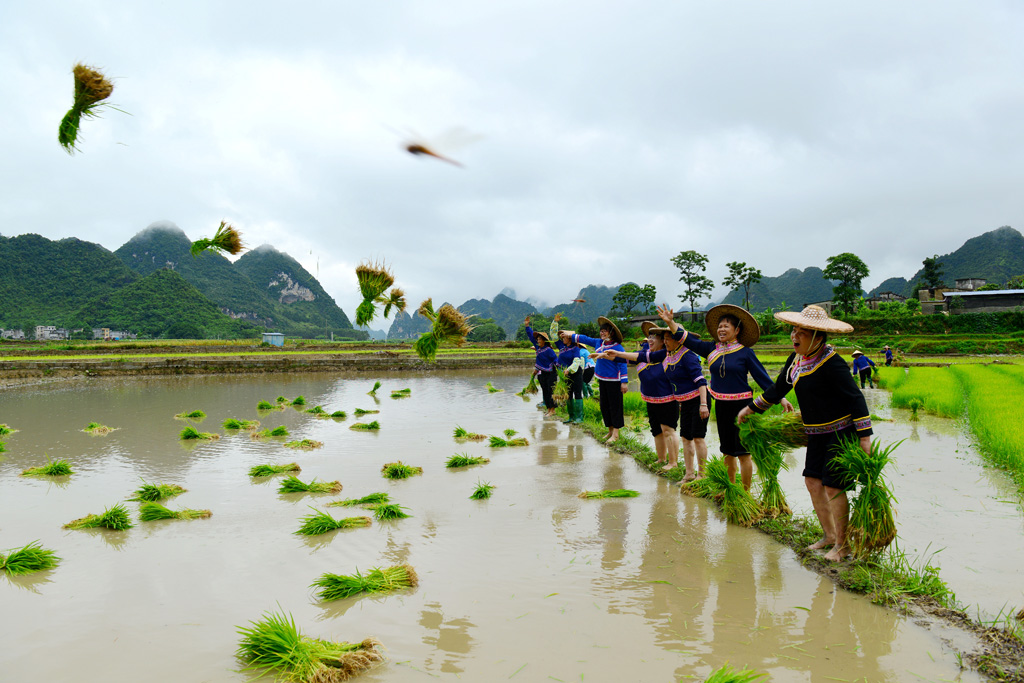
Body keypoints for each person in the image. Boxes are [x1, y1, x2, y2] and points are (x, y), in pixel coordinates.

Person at [736, 304, 872, 563]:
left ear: (818, 337)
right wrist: (751, 409)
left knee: (833, 486)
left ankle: (843, 546)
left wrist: (864, 438)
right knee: (812, 482)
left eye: (801, 332)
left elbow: (856, 399)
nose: (794, 336)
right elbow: (778, 390)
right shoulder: (796, 360)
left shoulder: (833, 363)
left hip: (841, 432)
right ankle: (830, 536)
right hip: (816, 433)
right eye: (793, 330)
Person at [659, 304, 791, 490]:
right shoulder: (711, 349)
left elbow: (763, 378)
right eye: (720, 326)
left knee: (743, 452)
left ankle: (744, 493)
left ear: (737, 330)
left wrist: (781, 398)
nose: (721, 329)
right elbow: (686, 340)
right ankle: (730, 490)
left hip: (743, 408)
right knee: (727, 451)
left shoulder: (746, 353)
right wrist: (671, 323)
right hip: (721, 406)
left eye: (726, 326)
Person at [598, 322, 710, 478]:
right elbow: (641, 356)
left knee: (694, 436)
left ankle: (697, 473)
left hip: (689, 400)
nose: (664, 342)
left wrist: (703, 404)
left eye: (667, 338)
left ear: (679, 339)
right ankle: (688, 473)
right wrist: (615, 354)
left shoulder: (687, 355)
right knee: (682, 436)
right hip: (678, 401)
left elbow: (701, 381)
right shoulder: (667, 354)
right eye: (663, 338)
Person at [595, 322, 680, 469]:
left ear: (664, 341)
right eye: (649, 337)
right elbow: (624, 359)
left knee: (668, 430)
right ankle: (661, 459)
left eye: (655, 337)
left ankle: (673, 463)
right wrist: (604, 355)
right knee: (656, 430)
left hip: (668, 400)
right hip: (650, 399)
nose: (650, 340)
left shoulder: (667, 355)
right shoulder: (645, 356)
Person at [562, 317, 628, 443]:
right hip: (602, 379)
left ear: (611, 333)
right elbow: (586, 339)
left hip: (614, 381)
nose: (602, 333)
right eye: (601, 331)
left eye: (605, 331)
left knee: (615, 406)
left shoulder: (618, 347)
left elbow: (623, 364)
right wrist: (571, 335)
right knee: (604, 406)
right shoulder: (599, 343)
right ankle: (609, 431)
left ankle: (616, 434)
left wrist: (624, 382)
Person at [551, 314, 585, 424]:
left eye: (564, 337)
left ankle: (579, 417)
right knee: (568, 394)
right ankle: (571, 416)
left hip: (575, 373)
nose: (562, 338)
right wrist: (555, 322)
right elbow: (553, 335)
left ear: (570, 338)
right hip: (565, 374)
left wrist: (568, 370)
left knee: (577, 393)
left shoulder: (575, 348)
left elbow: (577, 361)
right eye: (562, 337)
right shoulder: (561, 346)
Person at [525, 316, 557, 417]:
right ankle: (548, 409)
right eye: (537, 339)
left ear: (544, 341)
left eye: (540, 339)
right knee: (545, 391)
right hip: (542, 372)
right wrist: (527, 326)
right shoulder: (538, 347)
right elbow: (531, 336)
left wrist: (561, 370)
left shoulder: (549, 350)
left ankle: (553, 410)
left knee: (550, 391)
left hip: (551, 372)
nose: (538, 340)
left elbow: (555, 360)